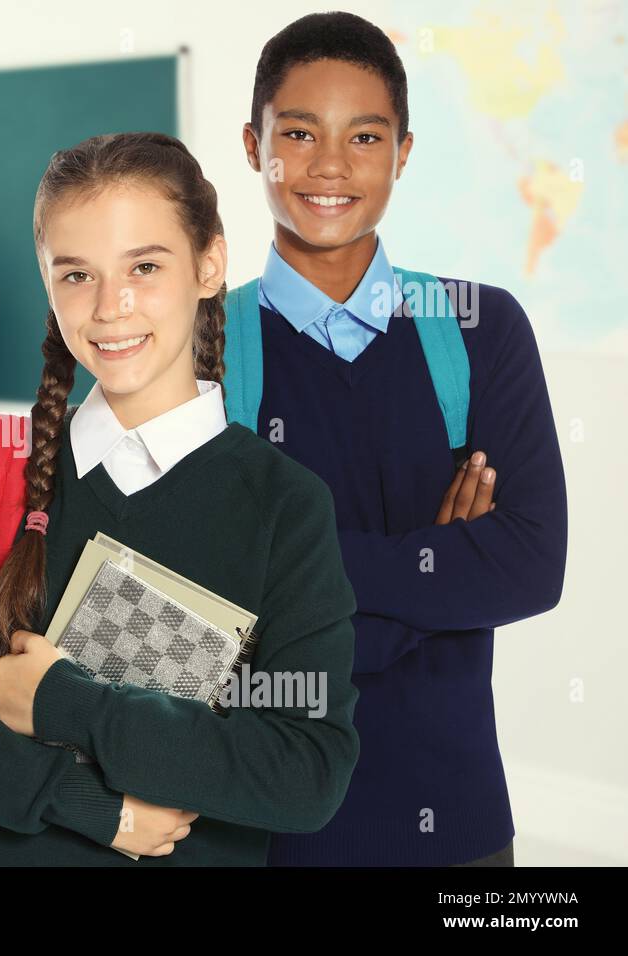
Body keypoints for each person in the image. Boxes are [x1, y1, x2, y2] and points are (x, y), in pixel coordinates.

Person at [0, 131, 361, 865]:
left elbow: (305, 772)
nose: (112, 307)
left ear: (209, 265)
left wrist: (66, 704)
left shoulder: (286, 506)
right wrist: (89, 804)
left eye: (144, 266)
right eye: (77, 275)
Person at [237, 12, 567, 866]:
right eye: (299, 133)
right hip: (256, 821)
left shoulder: (479, 326)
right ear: (253, 145)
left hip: (453, 819)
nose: (332, 167)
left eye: (366, 136)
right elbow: (186, 586)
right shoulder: (200, 342)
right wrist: (435, 562)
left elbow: (533, 562)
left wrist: (292, 569)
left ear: (404, 151)